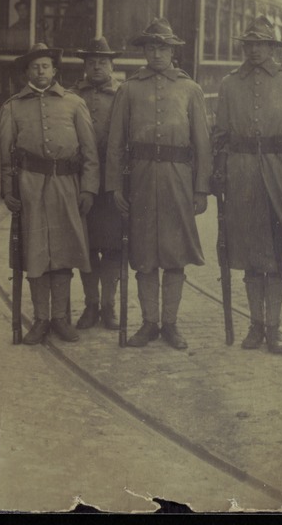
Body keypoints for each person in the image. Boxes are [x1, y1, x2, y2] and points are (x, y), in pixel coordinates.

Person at [209, 17, 282, 354]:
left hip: (279, 176)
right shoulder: (229, 84)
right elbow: (220, 135)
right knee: (248, 253)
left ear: (273, 47)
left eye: (261, 44)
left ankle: (273, 327)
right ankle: (255, 325)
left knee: (277, 253)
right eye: (249, 44)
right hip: (241, 178)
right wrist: (218, 173)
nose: (254, 50)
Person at [104, 22, 207, 349]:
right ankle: (149, 323)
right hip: (141, 179)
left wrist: (201, 188)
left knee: (175, 255)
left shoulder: (190, 89)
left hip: (178, 179)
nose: (157, 54)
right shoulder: (129, 89)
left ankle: (171, 325)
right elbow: (115, 143)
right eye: (151, 48)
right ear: (144, 52)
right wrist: (115, 186)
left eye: (163, 48)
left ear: (173, 51)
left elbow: (202, 143)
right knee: (144, 253)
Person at [0, 48, 98, 344]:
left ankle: (60, 318)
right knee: (36, 252)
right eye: (35, 67)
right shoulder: (13, 107)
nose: (41, 72)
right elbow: (4, 155)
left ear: (55, 71)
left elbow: (90, 152)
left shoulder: (74, 104)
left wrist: (89, 188)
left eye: (46, 67)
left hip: (67, 184)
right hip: (30, 185)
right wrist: (8, 190)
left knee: (64, 252)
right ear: (27, 72)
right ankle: (40, 319)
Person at [68, 38, 131, 336]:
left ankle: (109, 304)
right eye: (91, 61)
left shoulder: (124, 94)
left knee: (115, 246)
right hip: (81, 182)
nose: (97, 66)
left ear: (112, 65)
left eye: (103, 62)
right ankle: (90, 304)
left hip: (114, 182)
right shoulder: (71, 95)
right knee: (87, 245)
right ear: (84, 65)